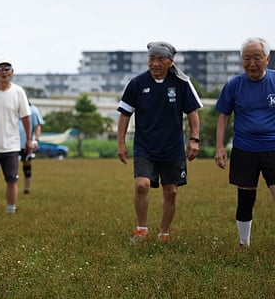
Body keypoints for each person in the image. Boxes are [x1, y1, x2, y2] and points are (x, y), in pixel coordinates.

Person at [117, 41, 202, 244]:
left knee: (171, 192)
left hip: (172, 147)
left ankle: (163, 233)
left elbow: (192, 112)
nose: (154, 63)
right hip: (145, 146)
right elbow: (124, 114)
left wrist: (194, 139)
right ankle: (141, 229)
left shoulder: (181, 83)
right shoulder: (137, 83)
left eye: (160, 59)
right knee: (141, 185)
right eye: (151, 59)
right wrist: (121, 143)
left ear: (170, 62)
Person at [215, 37, 275, 249]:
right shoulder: (234, 84)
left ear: (267, 58)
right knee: (245, 199)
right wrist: (220, 147)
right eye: (247, 58)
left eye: (257, 58)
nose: (252, 63)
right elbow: (223, 116)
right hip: (244, 149)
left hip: (272, 149)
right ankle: (244, 242)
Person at [0, 59, 33, 213]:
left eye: (7, 69)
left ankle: (11, 209)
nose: (4, 72)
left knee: (12, 179)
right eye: (0, 69)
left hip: (12, 145)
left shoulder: (18, 92)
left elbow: (25, 117)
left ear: (12, 72)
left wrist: (29, 139)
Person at [19, 102, 45, 194]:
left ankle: (27, 189)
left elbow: (37, 126)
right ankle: (12, 187)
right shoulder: (14, 108)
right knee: (12, 167)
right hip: (13, 143)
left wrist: (37, 140)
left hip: (27, 143)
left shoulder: (33, 110)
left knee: (27, 167)